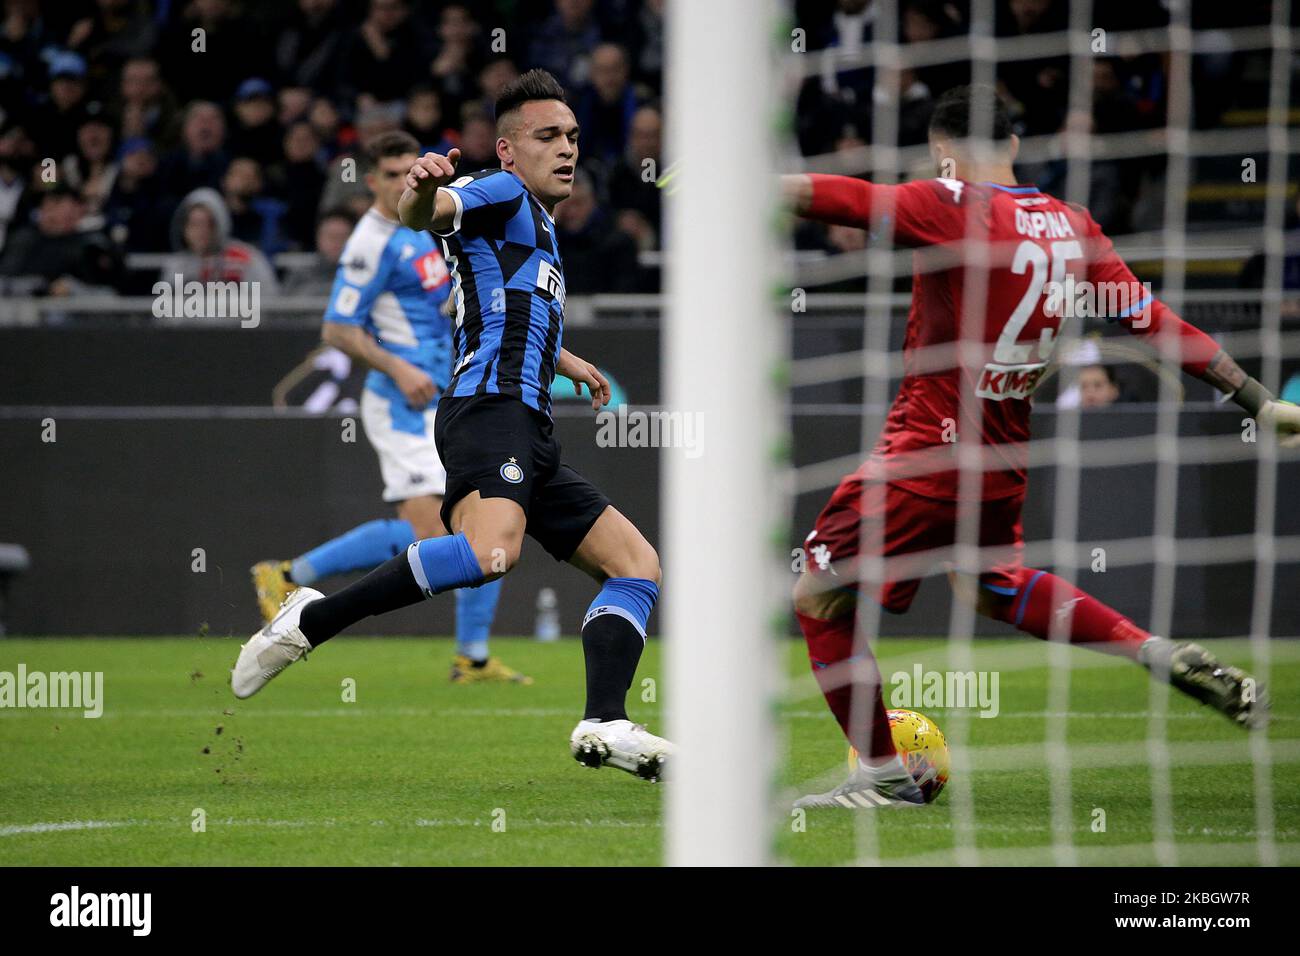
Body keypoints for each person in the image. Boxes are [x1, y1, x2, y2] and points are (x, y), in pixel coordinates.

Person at [780, 85, 1298, 809]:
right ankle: (1147, 647)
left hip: (927, 451)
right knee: (991, 587)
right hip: (1003, 456)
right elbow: (1154, 323)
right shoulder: (1073, 226)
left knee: (817, 591)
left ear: (943, 155)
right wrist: (1259, 400)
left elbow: (844, 199)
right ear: (1016, 146)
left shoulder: (951, 202)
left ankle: (883, 772)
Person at [232, 70, 672, 781]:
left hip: (528, 423)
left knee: (637, 567)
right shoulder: (499, 192)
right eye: (547, 136)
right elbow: (427, 213)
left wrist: (568, 359)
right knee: (490, 554)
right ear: (506, 149)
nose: (566, 149)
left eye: (573, 136)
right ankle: (310, 620)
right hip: (487, 413)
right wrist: (422, 188)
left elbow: (504, 310)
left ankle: (607, 721)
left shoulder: (538, 225)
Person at [250, 130, 525, 685]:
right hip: (400, 405)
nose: (408, 180)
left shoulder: (422, 226)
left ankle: (471, 656)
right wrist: (399, 368)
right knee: (455, 538)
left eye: (412, 169)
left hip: (443, 397)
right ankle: (289, 574)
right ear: (372, 181)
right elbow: (337, 328)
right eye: (394, 173)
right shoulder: (370, 242)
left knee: (476, 527)